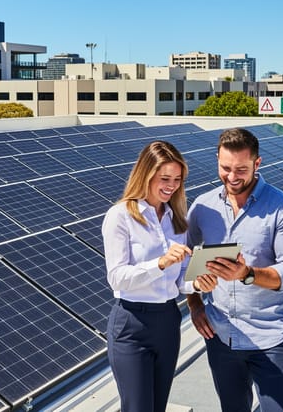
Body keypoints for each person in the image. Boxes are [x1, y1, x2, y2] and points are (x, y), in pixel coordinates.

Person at [185, 127, 283, 412]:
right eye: (225, 168)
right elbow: (185, 262)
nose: (232, 176)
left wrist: (247, 274)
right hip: (221, 338)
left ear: (257, 163)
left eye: (241, 169)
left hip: (270, 339)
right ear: (217, 159)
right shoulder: (202, 207)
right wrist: (194, 304)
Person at [103, 140, 218, 412]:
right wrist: (161, 263)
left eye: (177, 179)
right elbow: (117, 278)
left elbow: (180, 280)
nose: (172, 186)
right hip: (131, 324)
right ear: (146, 174)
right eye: (165, 178)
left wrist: (198, 282)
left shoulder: (177, 220)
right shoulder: (120, 216)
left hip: (168, 321)